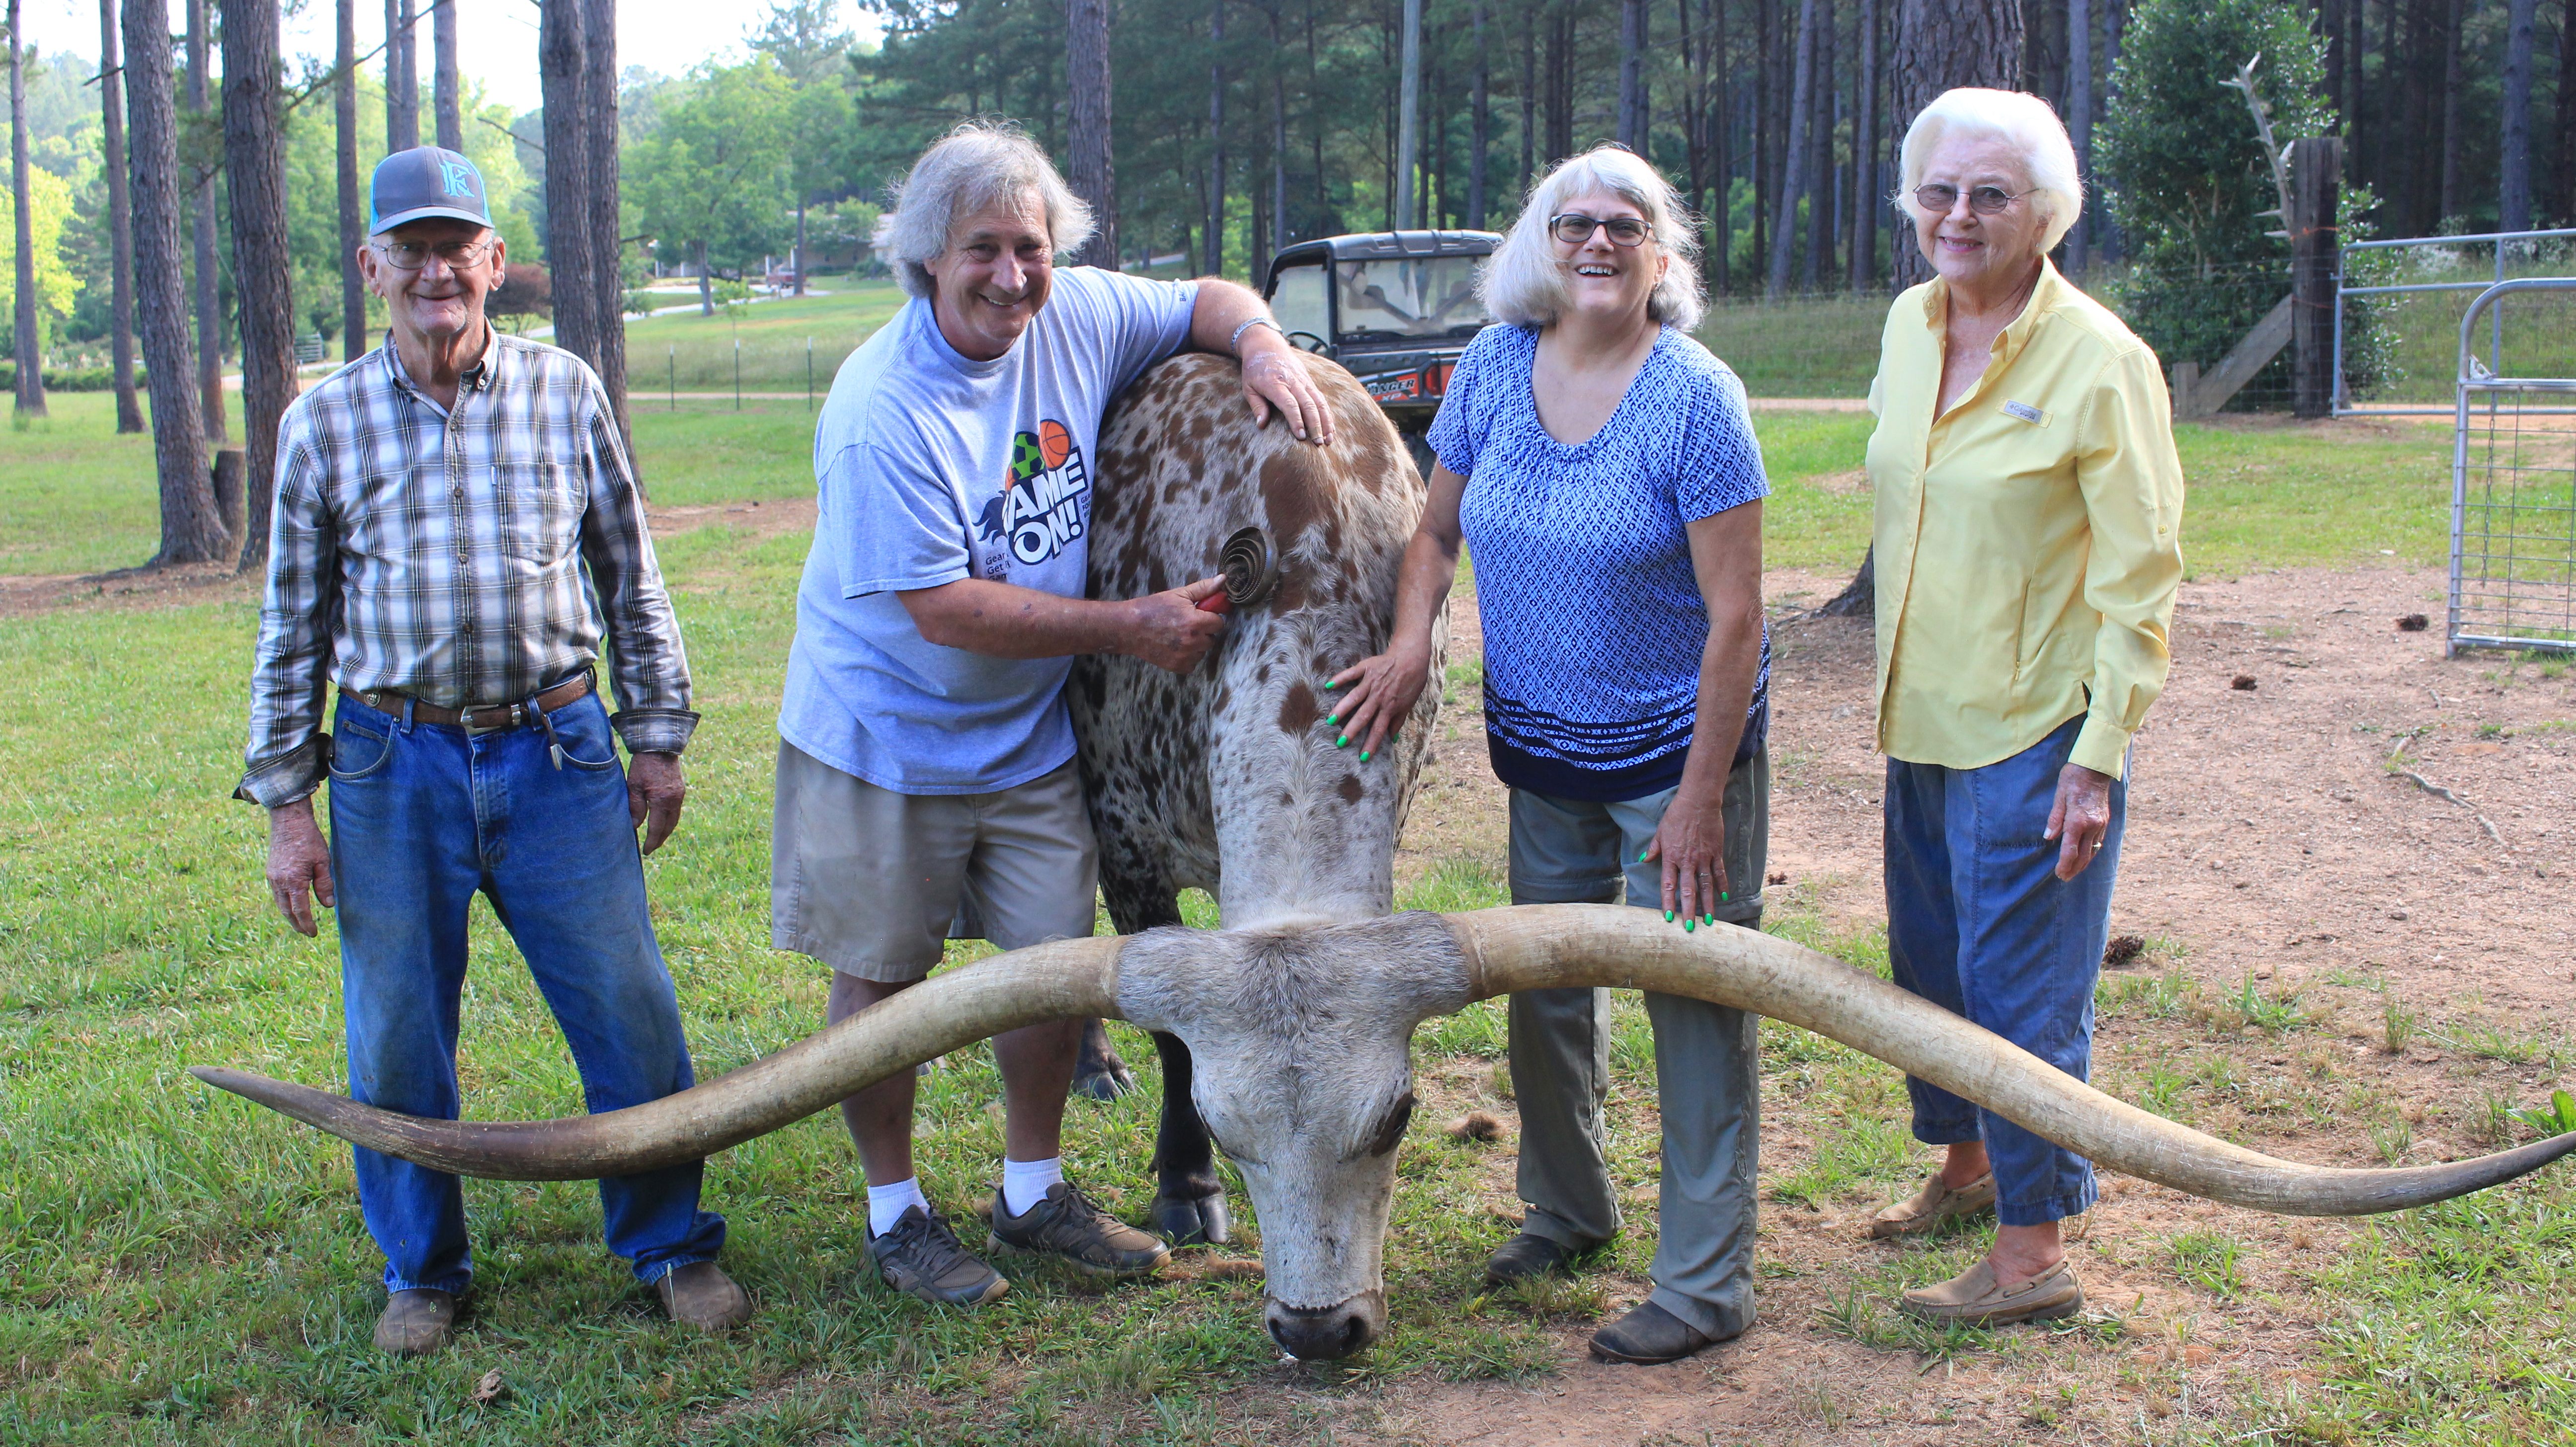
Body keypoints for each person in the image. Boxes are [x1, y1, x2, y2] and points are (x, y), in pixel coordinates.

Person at [774, 122, 1335, 1309]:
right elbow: (943, 610)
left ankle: (1033, 1193)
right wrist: (1129, 627)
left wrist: (1264, 343)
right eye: (984, 249)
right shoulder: (883, 410)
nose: (1012, 276)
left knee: (1055, 970)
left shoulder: (1072, 312)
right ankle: (896, 1215)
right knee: (883, 977)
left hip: (1023, 734)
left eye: (1030, 247)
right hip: (889, 732)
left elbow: (1206, 297)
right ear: (929, 255)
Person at [240, 148, 746, 1356]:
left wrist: (657, 736)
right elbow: (290, 624)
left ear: (495, 264)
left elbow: (633, 574)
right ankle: (423, 1268)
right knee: (397, 1027)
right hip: (386, 760)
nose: (434, 271)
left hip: (559, 750)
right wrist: (285, 806)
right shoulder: (321, 423)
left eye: (455, 247)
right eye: (408, 250)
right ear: (371, 268)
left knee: (628, 1008)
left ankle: (672, 1244)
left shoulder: (565, 390)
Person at [1328, 144, 1771, 1366]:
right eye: (1573, 222)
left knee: (1693, 1005)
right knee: (1545, 997)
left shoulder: (1696, 397)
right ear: (1541, 245)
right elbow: (1433, 530)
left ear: (1659, 257)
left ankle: (1703, 1282)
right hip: (1543, 753)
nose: (1596, 240)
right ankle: (1567, 1210)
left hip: (1679, 764)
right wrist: (1413, 640)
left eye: (1624, 224)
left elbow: (1737, 619)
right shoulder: (1490, 365)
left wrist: (1696, 806)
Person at [1857, 89, 2185, 1326]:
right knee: (1932, 969)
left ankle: (2035, 1255)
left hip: (2040, 732)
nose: (1959, 214)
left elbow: (2142, 578)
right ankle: (1966, 1164)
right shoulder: (1906, 325)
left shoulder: (2102, 360)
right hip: (1921, 716)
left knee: (2023, 997)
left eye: (1991, 194)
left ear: (2046, 211)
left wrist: (2098, 759)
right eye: (1939, 191)